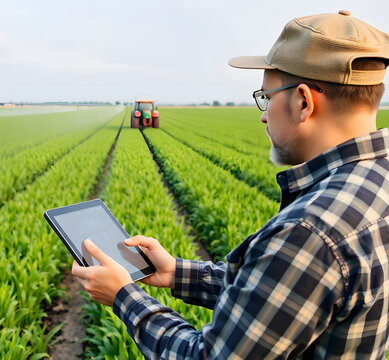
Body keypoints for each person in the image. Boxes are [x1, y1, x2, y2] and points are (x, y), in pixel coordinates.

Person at [72, 10, 389, 359]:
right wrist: (178, 272)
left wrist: (123, 295)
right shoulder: (378, 181)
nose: (263, 115)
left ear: (303, 102)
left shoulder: (309, 233)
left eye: (266, 97)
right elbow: (281, 292)